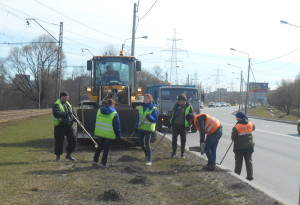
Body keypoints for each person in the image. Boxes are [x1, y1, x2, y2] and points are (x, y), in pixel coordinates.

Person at [92, 99, 121, 168]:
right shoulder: (114, 113)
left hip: (100, 133)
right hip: (109, 133)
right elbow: (116, 125)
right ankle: (103, 163)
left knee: (99, 147)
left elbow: (95, 120)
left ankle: (95, 161)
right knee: (106, 149)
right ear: (112, 104)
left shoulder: (99, 110)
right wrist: (118, 135)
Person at [52, 91, 77, 162]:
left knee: (73, 140)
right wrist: (66, 113)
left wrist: (76, 118)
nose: (68, 98)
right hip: (60, 126)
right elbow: (56, 114)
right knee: (59, 141)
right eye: (66, 97)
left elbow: (72, 112)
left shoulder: (68, 104)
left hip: (68, 125)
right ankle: (58, 156)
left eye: (68, 97)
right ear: (62, 97)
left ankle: (69, 154)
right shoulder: (56, 104)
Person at [134, 94, 158, 166]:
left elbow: (155, 119)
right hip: (141, 128)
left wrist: (149, 117)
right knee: (141, 144)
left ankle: (149, 160)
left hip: (148, 128)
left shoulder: (153, 108)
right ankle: (146, 154)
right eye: (145, 98)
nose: (145, 99)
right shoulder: (141, 107)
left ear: (150, 100)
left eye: (147, 98)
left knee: (147, 143)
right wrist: (135, 126)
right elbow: (138, 118)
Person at [231, 111, 255, 181]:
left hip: (239, 148)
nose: (236, 119)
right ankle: (250, 176)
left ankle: (237, 175)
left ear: (239, 118)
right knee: (249, 161)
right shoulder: (250, 123)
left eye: (236, 117)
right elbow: (253, 129)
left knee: (238, 162)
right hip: (250, 146)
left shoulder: (237, 127)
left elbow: (233, 138)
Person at [169, 94, 194, 159]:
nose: (181, 102)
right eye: (180, 101)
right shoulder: (176, 106)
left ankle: (182, 154)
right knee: (174, 139)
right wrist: (170, 123)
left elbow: (192, 117)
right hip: (175, 125)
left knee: (183, 140)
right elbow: (172, 115)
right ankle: (174, 153)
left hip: (183, 126)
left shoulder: (189, 107)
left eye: (183, 101)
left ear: (185, 101)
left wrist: (190, 125)